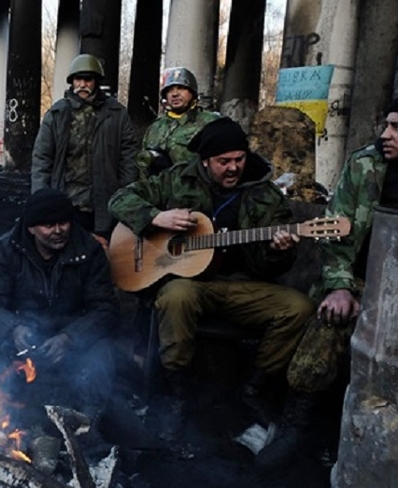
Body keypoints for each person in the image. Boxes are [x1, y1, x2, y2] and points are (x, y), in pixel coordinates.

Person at [109, 117, 315, 438]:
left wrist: (278, 250)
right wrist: (155, 217)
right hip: (193, 285)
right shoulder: (178, 180)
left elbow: (275, 267)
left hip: (244, 284)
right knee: (176, 297)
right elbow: (119, 199)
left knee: (298, 307)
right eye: (223, 162)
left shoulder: (265, 194)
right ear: (205, 161)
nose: (233, 168)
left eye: (239, 159)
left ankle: (253, 389)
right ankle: (176, 393)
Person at [256, 99, 398, 469]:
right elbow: (335, 233)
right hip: (359, 281)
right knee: (327, 325)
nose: (386, 135)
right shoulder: (364, 163)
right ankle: (295, 430)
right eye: (386, 124)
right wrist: (341, 286)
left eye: (397, 128)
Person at [0, 189, 119, 423]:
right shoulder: (7, 249)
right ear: (31, 227)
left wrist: (69, 338)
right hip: (24, 340)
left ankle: (87, 425)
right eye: (49, 225)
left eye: (63, 222)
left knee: (101, 352)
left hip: (72, 339)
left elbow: (105, 309)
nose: (58, 231)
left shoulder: (89, 250)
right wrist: (13, 329)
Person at [31, 54, 139, 239]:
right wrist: (42, 200)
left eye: (87, 79)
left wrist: (124, 193)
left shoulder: (116, 114)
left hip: (105, 201)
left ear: (96, 81)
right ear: (72, 82)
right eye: (78, 79)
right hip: (67, 200)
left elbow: (129, 157)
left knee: (105, 254)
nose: (82, 84)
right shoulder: (58, 114)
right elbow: (42, 159)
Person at [136, 66, 219, 178]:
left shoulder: (210, 122)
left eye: (181, 88)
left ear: (192, 92)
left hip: (194, 191)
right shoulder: (155, 127)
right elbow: (143, 168)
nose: (174, 94)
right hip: (159, 191)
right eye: (169, 90)